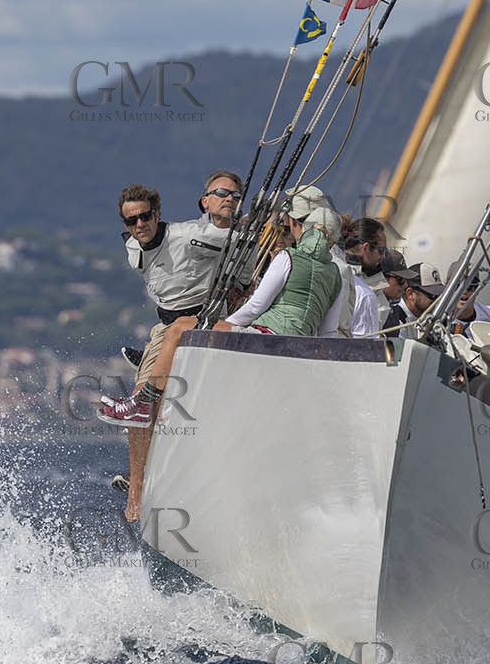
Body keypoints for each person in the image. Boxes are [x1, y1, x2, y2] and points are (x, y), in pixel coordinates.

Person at [99, 171, 243, 518]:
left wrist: (232, 213)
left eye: (145, 216)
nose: (139, 225)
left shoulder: (191, 236)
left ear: (157, 213)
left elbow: (232, 238)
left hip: (202, 316)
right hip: (165, 326)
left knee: (149, 395)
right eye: (131, 220)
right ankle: (136, 487)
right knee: (138, 408)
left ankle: (150, 410)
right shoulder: (133, 247)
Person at [216, 190, 344, 336]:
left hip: (268, 335)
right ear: (333, 243)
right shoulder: (337, 275)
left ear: (303, 229)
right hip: (300, 346)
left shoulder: (288, 257)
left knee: (184, 325)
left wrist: (227, 324)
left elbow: (256, 307)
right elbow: (329, 330)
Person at [338, 221, 385, 337]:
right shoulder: (364, 293)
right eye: (381, 250)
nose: (383, 256)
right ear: (365, 248)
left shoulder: (332, 267)